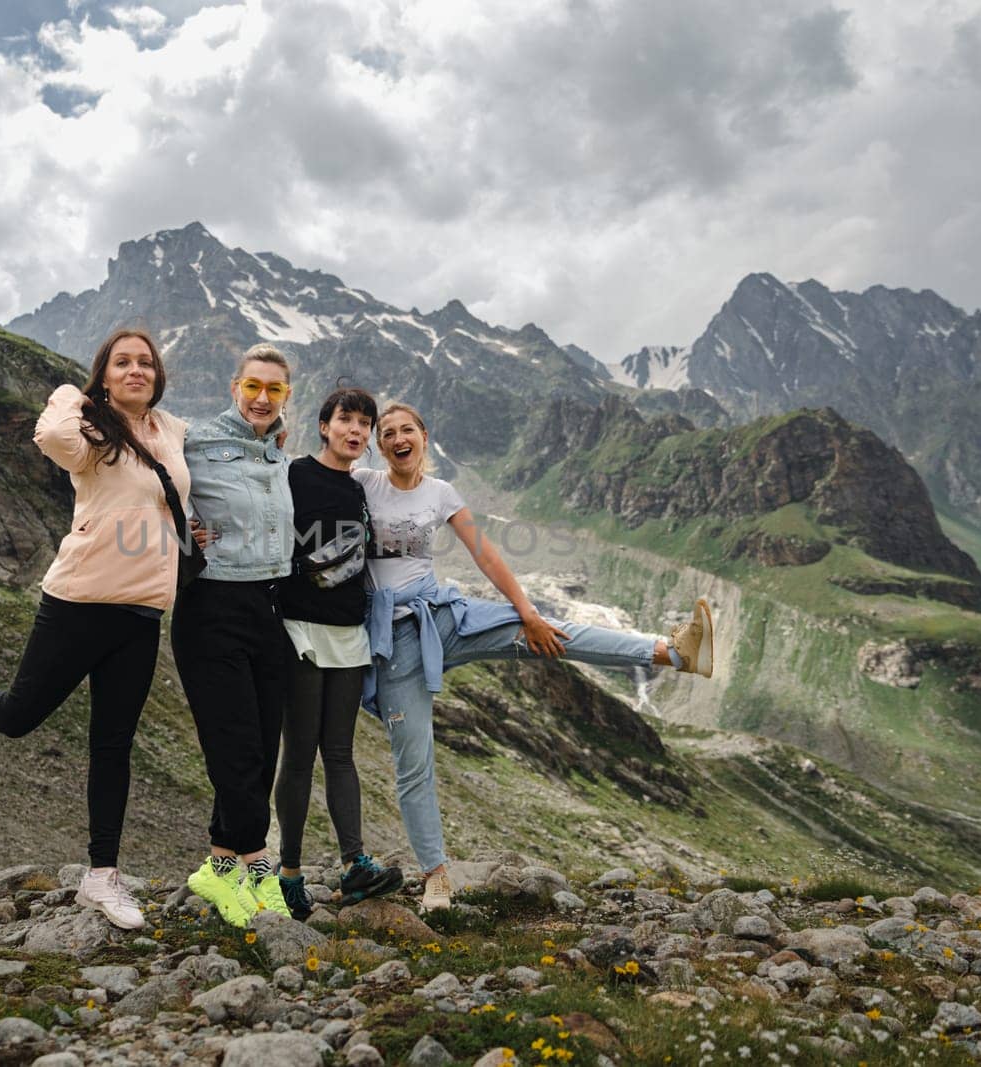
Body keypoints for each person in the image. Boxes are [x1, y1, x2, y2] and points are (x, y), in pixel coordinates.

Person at [357, 402, 717, 911]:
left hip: (444, 619)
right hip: (393, 647)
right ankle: (436, 876)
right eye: (387, 433)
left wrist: (526, 611)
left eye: (406, 430)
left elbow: (486, 554)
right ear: (378, 444)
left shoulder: (441, 493)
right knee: (413, 763)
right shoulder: (364, 484)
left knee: (552, 633)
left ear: (423, 436)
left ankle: (674, 653)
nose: (398, 438)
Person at [0, 327, 190, 931]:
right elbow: (50, 435)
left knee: (113, 743)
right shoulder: (90, 431)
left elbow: (176, 502)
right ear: (106, 375)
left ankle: (101, 877)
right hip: (80, 602)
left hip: (142, 611)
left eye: (145, 363)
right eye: (122, 363)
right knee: (18, 716)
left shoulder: (171, 432)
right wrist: (73, 392)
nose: (137, 371)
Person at [175, 343, 297, 927]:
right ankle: (258, 869)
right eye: (253, 386)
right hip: (212, 606)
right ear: (234, 387)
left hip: (268, 609)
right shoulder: (194, 441)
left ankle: (218, 866)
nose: (262, 398)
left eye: (274, 389)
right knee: (235, 749)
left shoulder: (276, 450)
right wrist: (177, 532)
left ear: (286, 397)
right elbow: (148, 481)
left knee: (261, 745)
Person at [273, 387, 404, 919]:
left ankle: (355, 864)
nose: (357, 431)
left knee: (341, 752)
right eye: (346, 420)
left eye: (364, 424)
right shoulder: (294, 474)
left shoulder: (360, 489)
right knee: (299, 752)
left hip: (349, 634)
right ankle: (288, 874)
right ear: (324, 425)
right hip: (300, 630)